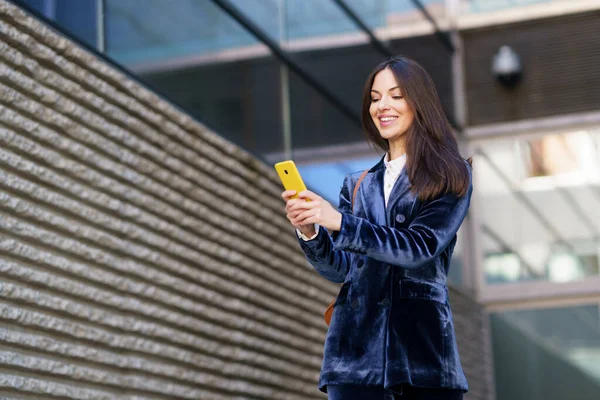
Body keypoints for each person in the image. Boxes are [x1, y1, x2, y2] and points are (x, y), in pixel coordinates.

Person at [281, 56, 472, 400]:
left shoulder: (450, 175)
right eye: (375, 97)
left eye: (396, 95)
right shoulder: (357, 184)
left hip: (423, 362)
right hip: (353, 362)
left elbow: (419, 247)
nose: (382, 105)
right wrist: (311, 231)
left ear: (419, 103)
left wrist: (339, 221)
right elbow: (342, 270)